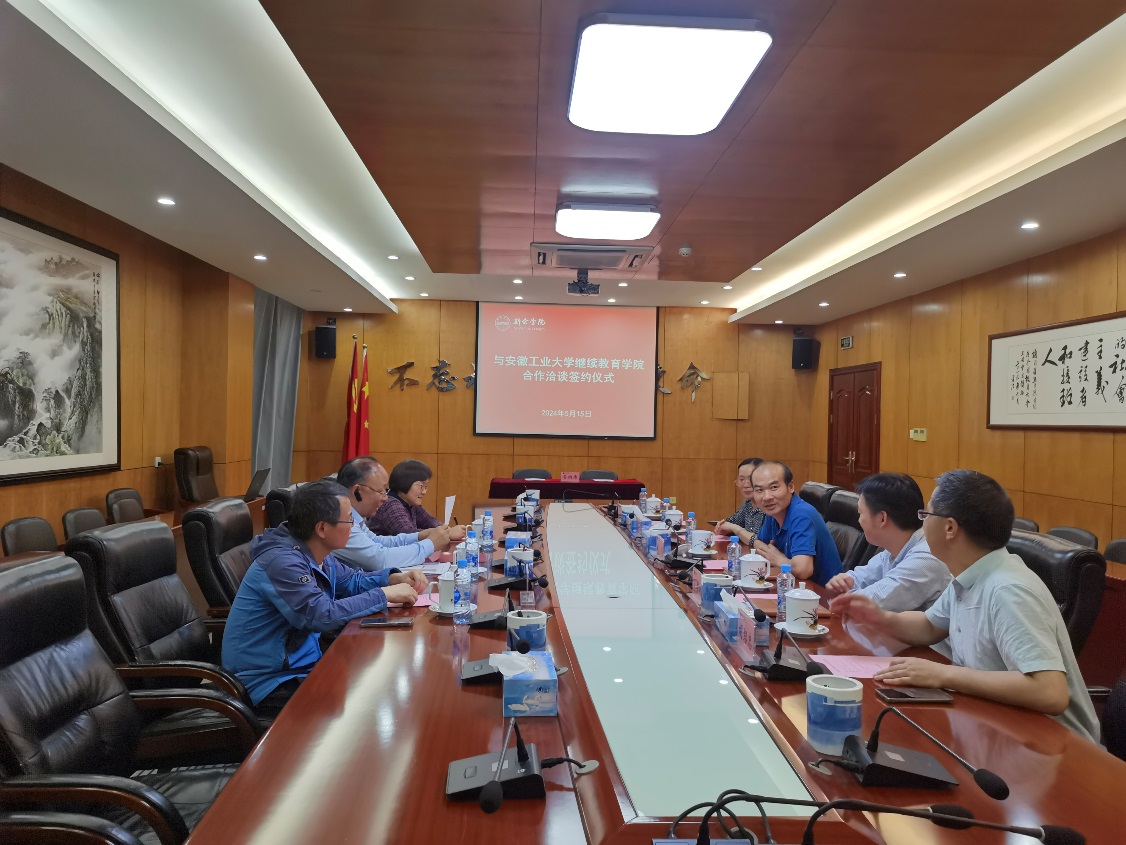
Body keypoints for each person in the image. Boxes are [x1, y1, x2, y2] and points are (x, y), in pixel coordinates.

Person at [831, 469, 1099, 742]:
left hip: (1054, 745)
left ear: (950, 528)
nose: (921, 524)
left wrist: (943, 674)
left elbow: (1049, 692)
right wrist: (880, 618)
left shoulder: (1008, 589)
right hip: (992, 724)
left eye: (926, 515)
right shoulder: (970, 575)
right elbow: (928, 626)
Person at [222, 480, 424, 717]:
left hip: (305, 665)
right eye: (349, 520)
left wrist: (391, 578)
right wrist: (383, 594)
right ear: (322, 528)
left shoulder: (315, 550)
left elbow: (351, 581)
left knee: (380, 681)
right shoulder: (282, 562)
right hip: (268, 682)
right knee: (364, 707)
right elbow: (321, 615)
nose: (353, 527)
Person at [824, 473, 950, 611]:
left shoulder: (925, 559)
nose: (859, 520)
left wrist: (840, 594)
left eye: (860, 513)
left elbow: (866, 604)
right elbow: (857, 578)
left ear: (882, 518)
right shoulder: (894, 549)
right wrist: (841, 584)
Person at [333, 457, 456, 571]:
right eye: (380, 491)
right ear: (357, 491)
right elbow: (380, 559)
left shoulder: (355, 518)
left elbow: (376, 541)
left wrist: (419, 536)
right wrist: (430, 544)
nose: (385, 498)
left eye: (385, 491)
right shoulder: (339, 520)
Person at [751, 461, 842, 586]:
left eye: (774, 488)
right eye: (759, 490)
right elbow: (759, 543)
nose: (767, 497)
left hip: (823, 594)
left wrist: (778, 559)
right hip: (794, 587)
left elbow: (803, 570)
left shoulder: (801, 514)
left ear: (791, 487)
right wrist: (773, 554)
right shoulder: (773, 513)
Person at [369, 459, 467, 542]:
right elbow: (409, 534)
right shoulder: (390, 504)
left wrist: (446, 529)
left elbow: (430, 521)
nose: (424, 492)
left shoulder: (410, 503)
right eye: (421, 486)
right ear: (405, 482)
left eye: (426, 486)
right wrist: (448, 533)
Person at [716, 457, 766, 545]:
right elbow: (731, 522)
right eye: (742, 479)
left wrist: (734, 528)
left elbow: (761, 541)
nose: (746, 485)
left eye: (750, 479)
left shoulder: (769, 505)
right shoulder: (747, 503)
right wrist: (723, 527)